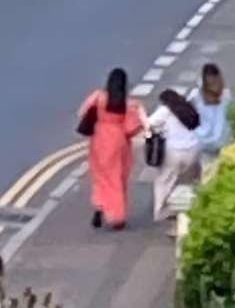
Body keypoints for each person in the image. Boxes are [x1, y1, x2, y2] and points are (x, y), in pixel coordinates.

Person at [78, 68, 146, 231]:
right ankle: (117, 217)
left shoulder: (98, 97)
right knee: (117, 178)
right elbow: (132, 128)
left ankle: (99, 205)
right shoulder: (127, 104)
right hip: (118, 141)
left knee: (101, 176)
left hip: (99, 139)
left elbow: (82, 112)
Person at [149, 89, 203, 231]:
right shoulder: (190, 107)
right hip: (193, 151)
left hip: (174, 152)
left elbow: (150, 124)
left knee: (164, 181)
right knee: (190, 181)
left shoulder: (165, 110)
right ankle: (192, 209)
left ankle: (163, 211)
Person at [187, 63, 235, 169]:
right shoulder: (226, 95)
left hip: (205, 141)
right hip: (222, 141)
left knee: (208, 174)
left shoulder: (195, 96)